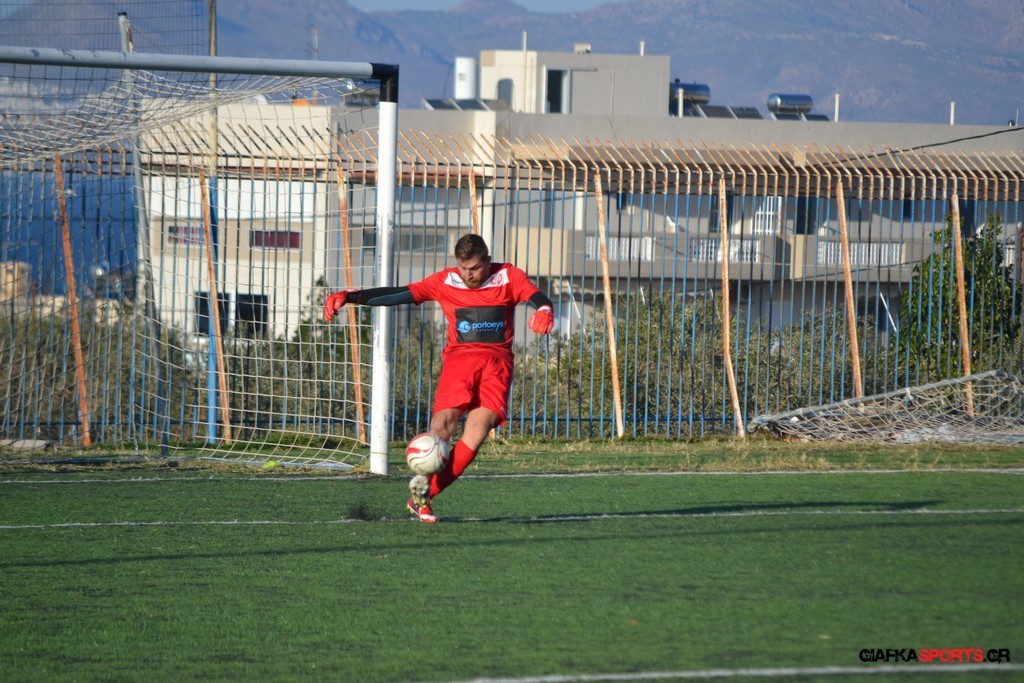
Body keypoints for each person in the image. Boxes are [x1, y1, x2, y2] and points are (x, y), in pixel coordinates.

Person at [323, 234, 554, 522]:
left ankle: (423, 496)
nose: (468, 274)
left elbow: (536, 296)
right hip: (460, 361)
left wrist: (545, 309)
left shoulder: (508, 276)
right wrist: (351, 296)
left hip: (497, 364)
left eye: (474, 268)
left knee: (478, 431)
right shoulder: (446, 281)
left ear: (487, 261)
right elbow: (401, 294)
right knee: (443, 424)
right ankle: (422, 486)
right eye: (463, 267)